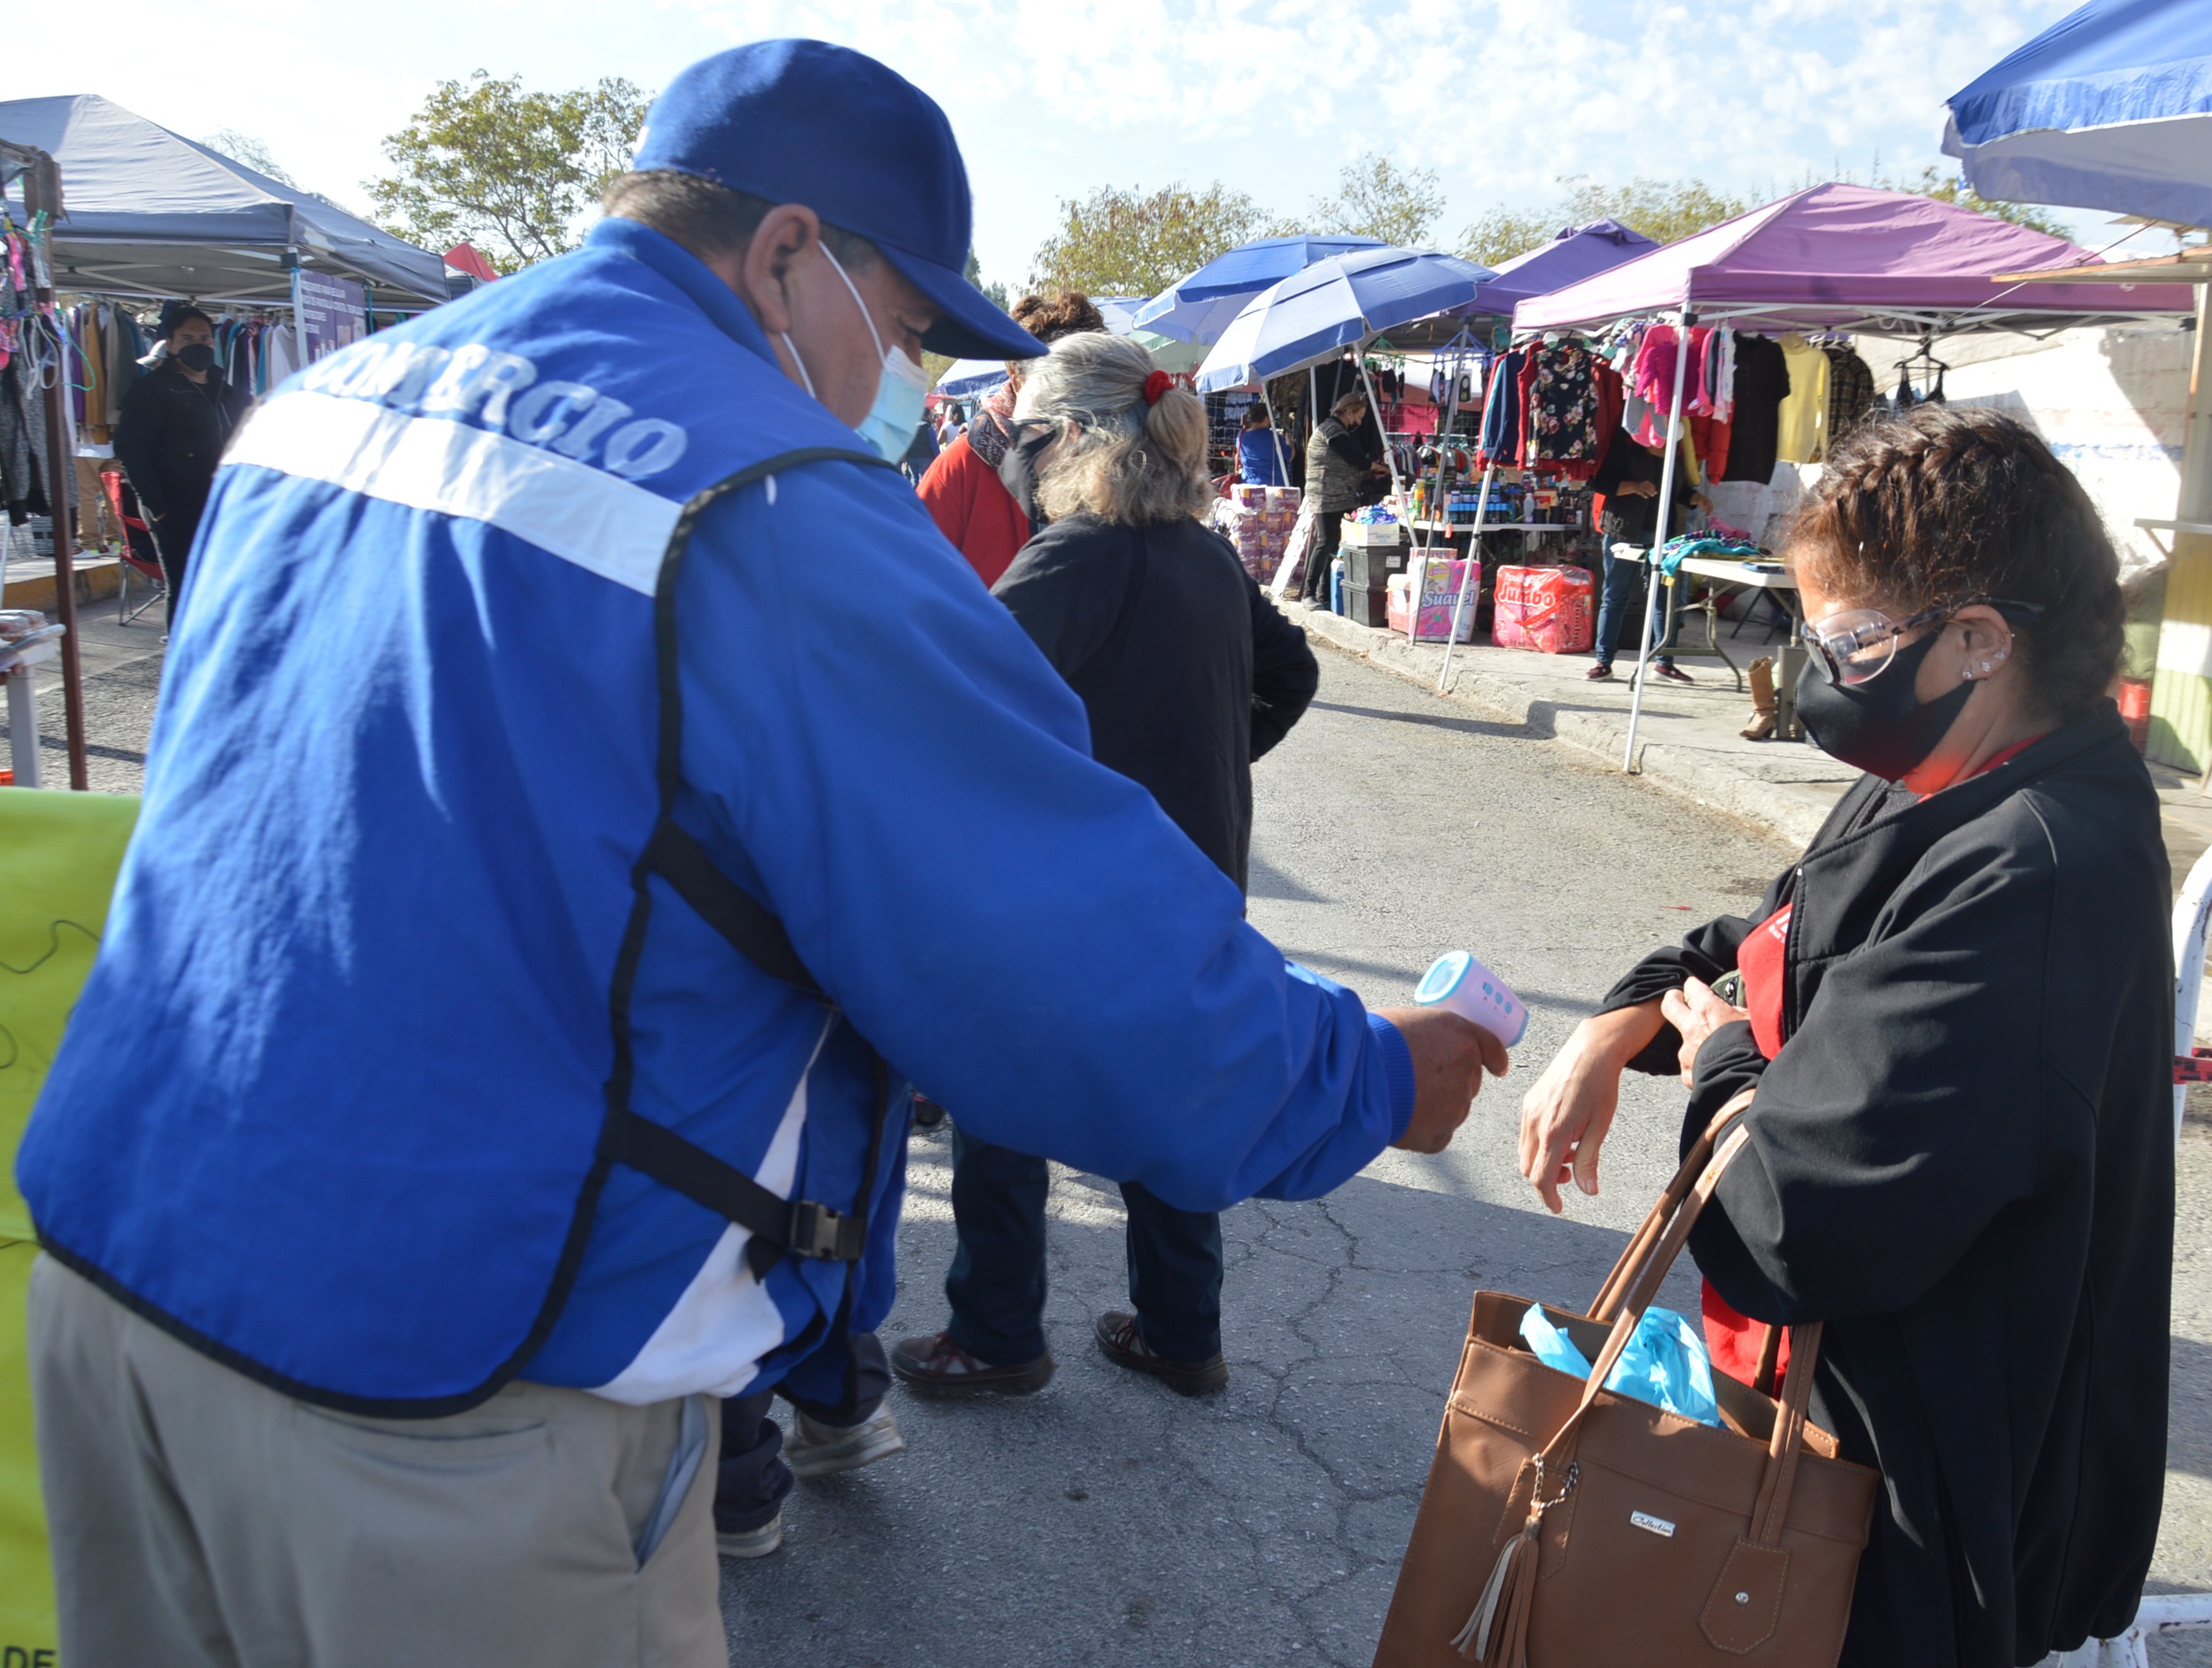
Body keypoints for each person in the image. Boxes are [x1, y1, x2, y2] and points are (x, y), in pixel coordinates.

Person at [19, 41, 1506, 1668]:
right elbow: (1052, 957)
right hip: (440, 1375)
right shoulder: (765, 498)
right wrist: (1363, 1077)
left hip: (111, 1261)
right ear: (789, 252)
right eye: (910, 318)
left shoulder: (326, 400)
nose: (907, 365)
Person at [1517, 407, 2172, 1668]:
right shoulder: (1947, 779)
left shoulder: (2035, 865)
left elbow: (1791, 1218)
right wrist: (1617, 1025)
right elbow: (1769, 935)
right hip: (1836, 1436)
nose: (1820, 671)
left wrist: (1719, 1061)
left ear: (1979, 640)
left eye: (1851, 638)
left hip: (1922, 1496)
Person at [895, 334, 1320, 1400]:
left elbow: (951, 705)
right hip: (1191, 876)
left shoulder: (1076, 554)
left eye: (1035, 435)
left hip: (1078, 888)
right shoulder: (1204, 553)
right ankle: (1182, 1332)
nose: (1026, 456)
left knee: (1000, 1095)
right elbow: (1293, 671)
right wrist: (1212, 761)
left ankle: (995, 1332)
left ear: (1078, 436)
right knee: (1171, 1103)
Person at [914, 290, 1103, 585]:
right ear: (1016, 379)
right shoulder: (960, 469)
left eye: (1087, 380)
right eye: (1057, 380)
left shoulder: (1124, 465)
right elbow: (910, 586)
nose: (1074, 398)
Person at [111, 304, 251, 622]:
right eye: (187, 339)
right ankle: (183, 663)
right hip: (176, 505)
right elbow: (131, 448)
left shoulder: (227, 392)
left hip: (224, 504)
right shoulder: (151, 390)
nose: (197, 345)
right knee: (187, 586)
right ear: (170, 344)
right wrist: (158, 505)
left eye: (204, 338)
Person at [1585, 425, 1707, 683]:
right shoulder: (1627, 440)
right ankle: (1603, 662)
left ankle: (1665, 663)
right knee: (1616, 596)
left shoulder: (1677, 449)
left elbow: (1679, 491)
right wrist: (1634, 486)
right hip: (1624, 530)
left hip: (1663, 535)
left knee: (1664, 599)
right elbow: (1602, 482)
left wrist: (1698, 498)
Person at [1300, 389, 1388, 603]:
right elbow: (1353, 458)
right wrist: (1376, 466)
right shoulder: (1332, 430)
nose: (1359, 421)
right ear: (1349, 412)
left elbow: (1346, 463)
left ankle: (1324, 594)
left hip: (1340, 494)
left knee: (1336, 542)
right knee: (1326, 541)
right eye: (1358, 416)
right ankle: (1309, 594)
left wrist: (1369, 471)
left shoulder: (1337, 430)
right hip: (1326, 494)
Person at [1235, 400, 1287, 487]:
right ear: (1267, 418)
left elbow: (1238, 455)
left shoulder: (1241, 435)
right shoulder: (1274, 437)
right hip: (1272, 486)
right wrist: (1289, 439)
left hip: (1247, 485)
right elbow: (1290, 454)